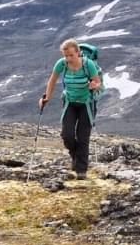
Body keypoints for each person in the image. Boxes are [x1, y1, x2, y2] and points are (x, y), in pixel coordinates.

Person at [40, 39, 102, 179]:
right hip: (70, 102)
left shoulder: (88, 65)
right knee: (67, 135)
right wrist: (46, 98)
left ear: (78, 53)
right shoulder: (62, 64)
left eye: (71, 55)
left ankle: (81, 172)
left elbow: (98, 82)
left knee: (83, 137)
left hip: (86, 104)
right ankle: (76, 157)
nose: (68, 58)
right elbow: (52, 80)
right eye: (66, 55)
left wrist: (94, 85)